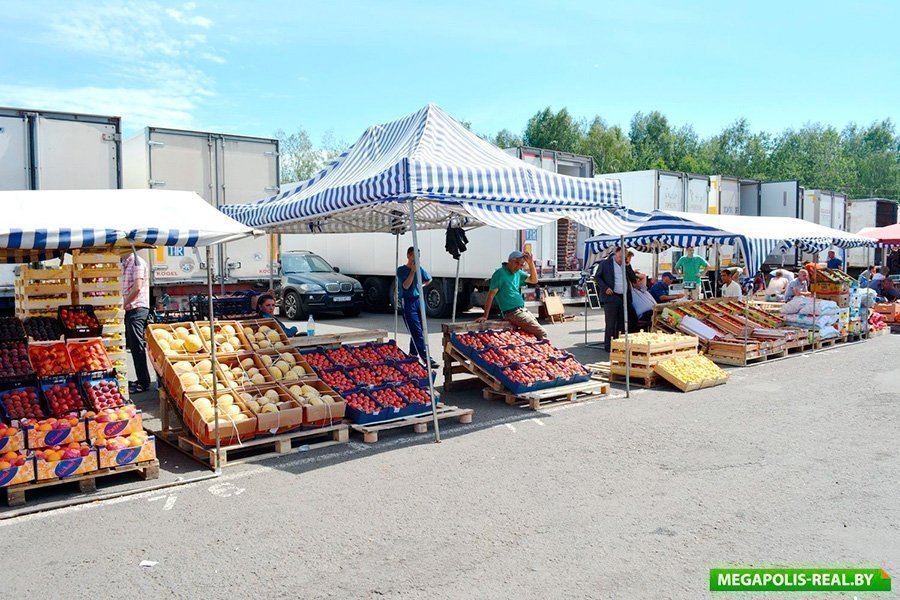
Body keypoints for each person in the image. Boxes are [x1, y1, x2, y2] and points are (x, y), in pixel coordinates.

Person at [477, 250, 547, 340]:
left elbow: (534, 280)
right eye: (516, 263)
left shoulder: (518, 273)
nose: (518, 267)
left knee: (532, 335)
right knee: (542, 333)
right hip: (512, 313)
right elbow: (491, 295)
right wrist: (485, 316)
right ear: (510, 260)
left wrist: (530, 263)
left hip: (522, 311)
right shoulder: (500, 274)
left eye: (521, 265)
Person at [396, 247, 438, 369]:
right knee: (416, 331)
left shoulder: (420, 269)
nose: (417, 258)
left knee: (421, 330)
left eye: (418, 256)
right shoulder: (401, 270)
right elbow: (405, 285)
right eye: (415, 256)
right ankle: (426, 358)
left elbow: (429, 279)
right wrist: (413, 272)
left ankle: (412, 355)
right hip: (408, 301)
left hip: (419, 300)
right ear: (409, 255)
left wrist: (422, 285)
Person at [594, 247, 637, 352]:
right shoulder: (605, 264)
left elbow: (633, 279)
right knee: (611, 323)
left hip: (623, 297)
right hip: (611, 297)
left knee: (622, 323)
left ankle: (619, 344)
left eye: (624, 257)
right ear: (614, 253)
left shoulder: (625, 265)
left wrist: (628, 265)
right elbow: (597, 277)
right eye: (619, 257)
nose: (620, 259)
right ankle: (608, 345)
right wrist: (605, 288)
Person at [122, 252, 151, 394]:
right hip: (131, 308)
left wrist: (123, 304)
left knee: (137, 345)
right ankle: (141, 379)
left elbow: (137, 287)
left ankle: (144, 382)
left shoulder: (136, 262)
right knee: (133, 346)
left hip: (137, 308)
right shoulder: (125, 263)